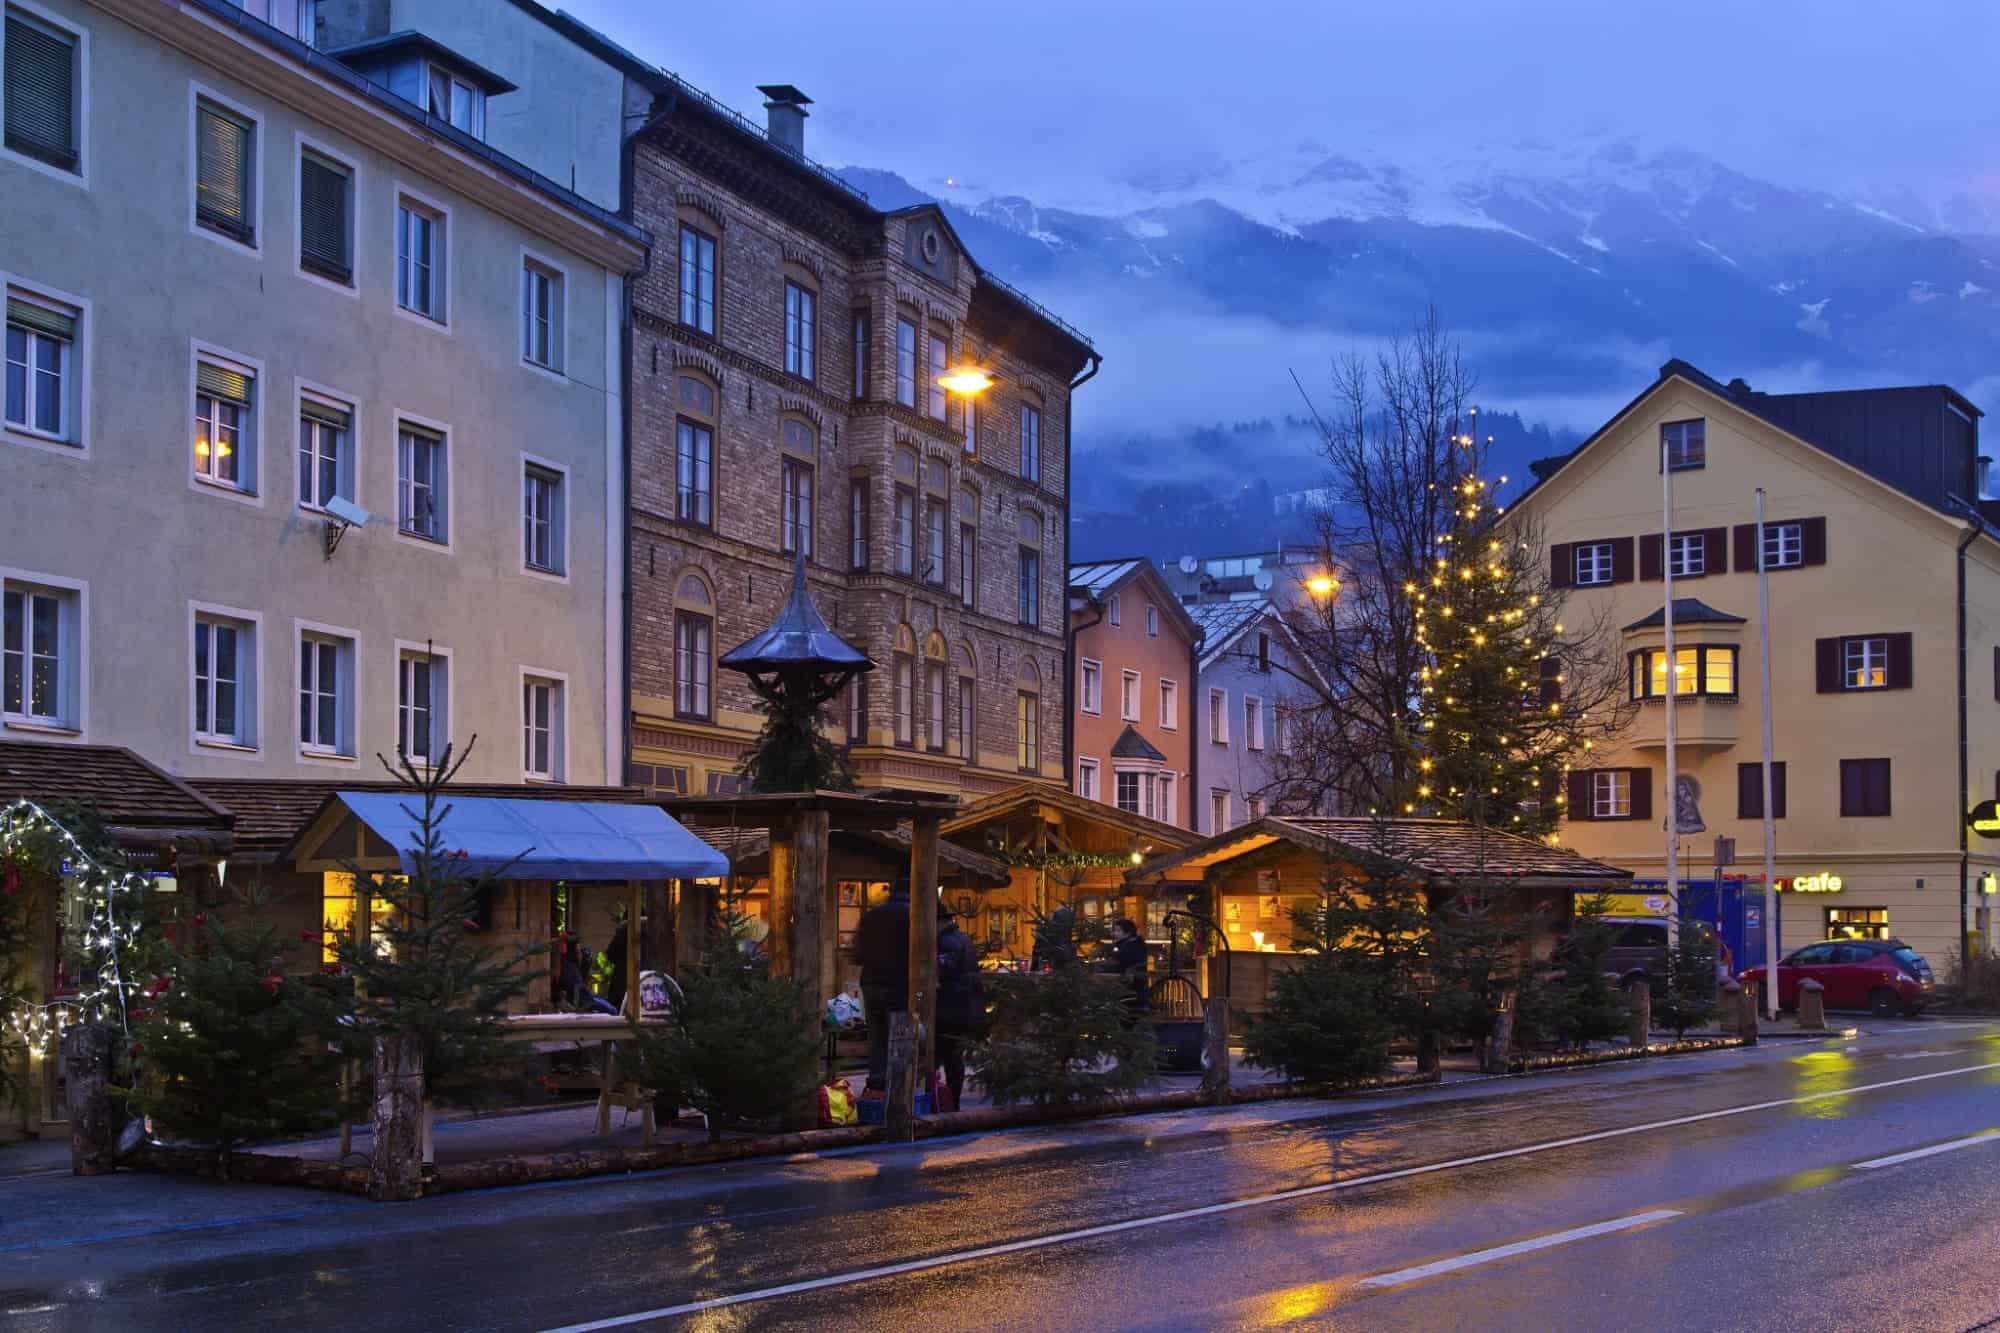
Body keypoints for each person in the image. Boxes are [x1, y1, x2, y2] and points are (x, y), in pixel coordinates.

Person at [857, 878, 911, 1091]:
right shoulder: (913, 914)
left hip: (871, 981)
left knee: (877, 1035)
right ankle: (898, 1087)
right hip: (899, 983)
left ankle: (877, 1082)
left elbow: (858, 952)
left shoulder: (871, 915)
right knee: (900, 1035)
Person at [936, 904, 982, 1110]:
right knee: (954, 1057)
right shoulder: (962, 938)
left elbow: (944, 968)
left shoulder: (946, 941)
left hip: (950, 1007)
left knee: (946, 1055)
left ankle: (946, 1101)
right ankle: (951, 1100)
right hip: (963, 1007)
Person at [1108, 917, 1149, 1016]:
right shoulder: (1128, 945)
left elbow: (1120, 966)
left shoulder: (1131, 946)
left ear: (1128, 933)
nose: (1114, 934)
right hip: (1132, 993)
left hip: (1131, 994)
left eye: (1118, 930)